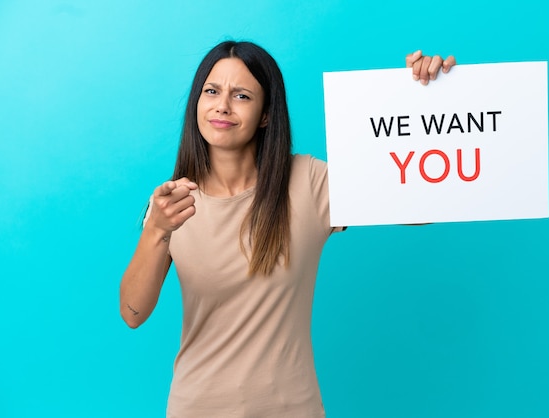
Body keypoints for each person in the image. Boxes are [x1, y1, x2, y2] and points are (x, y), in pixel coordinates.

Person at [120, 40, 455, 417]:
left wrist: (428, 99)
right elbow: (133, 313)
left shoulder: (308, 182)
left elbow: (421, 206)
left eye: (242, 95)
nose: (222, 105)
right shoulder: (172, 203)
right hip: (196, 407)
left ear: (265, 114)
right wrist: (156, 230)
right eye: (211, 91)